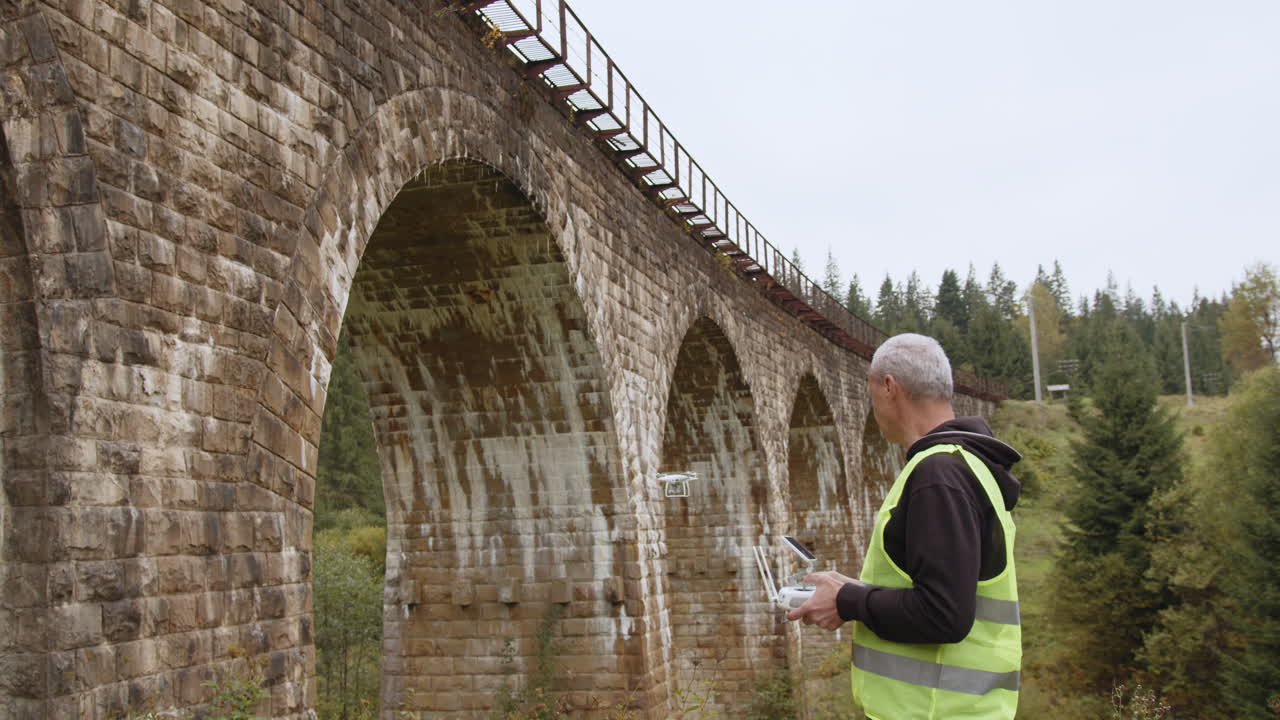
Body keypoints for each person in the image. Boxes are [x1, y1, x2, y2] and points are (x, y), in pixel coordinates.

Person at [787, 333, 1023, 720]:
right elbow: (944, 586)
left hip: (937, 710)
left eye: (871, 391)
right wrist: (852, 591)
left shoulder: (939, 475)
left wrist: (848, 601)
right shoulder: (965, 465)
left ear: (888, 386)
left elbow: (944, 613)